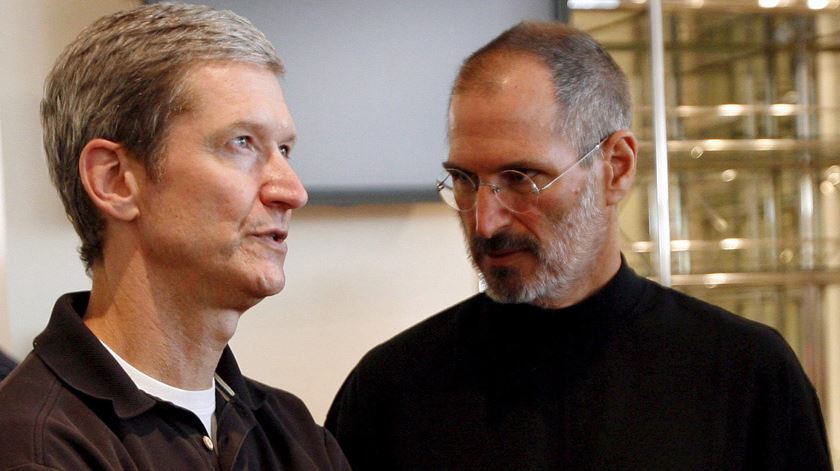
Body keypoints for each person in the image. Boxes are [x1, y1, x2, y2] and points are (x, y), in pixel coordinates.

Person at [325, 22, 832, 470]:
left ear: (616, 168)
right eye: (463, 178)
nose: (484, 220)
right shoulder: (390, 391)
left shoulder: (746, 375)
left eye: (521, 177)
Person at [0, 3, 349, 470]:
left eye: (284, 149)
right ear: (116, 181)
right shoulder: (35, 444)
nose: (292, 191)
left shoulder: (295, 431)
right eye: (242, 142)